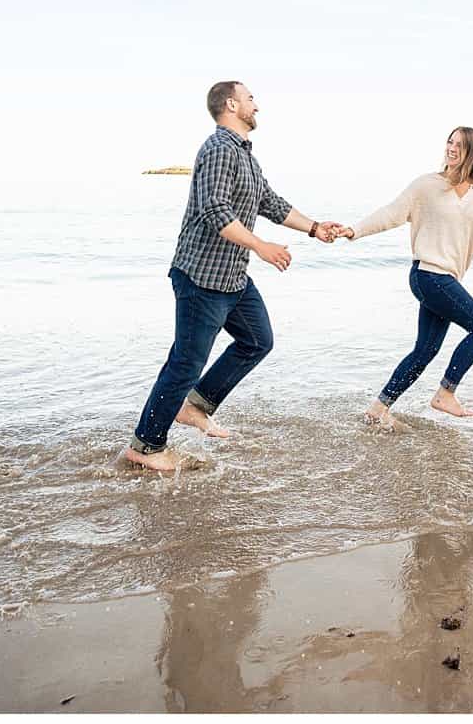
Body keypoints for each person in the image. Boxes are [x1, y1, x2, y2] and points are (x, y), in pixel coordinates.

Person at [123, 81, 345, 472]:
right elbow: (214, 210)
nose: (256, 104)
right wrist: (261, 246)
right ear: (231, 104)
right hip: (201, 277)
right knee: (185, 363)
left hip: (232, 278)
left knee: (258, 341)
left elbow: (269, 203)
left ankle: (196, 406)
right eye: (250, 98)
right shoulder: (218, 149)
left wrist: (314, 228)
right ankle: (146, 446)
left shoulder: (245, 155)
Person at [342, 126, 473, 430]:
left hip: (443, 279)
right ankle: (445, 393)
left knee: (425, 350)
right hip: (428, 275)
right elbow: (391, 213)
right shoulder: (426, 186)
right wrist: (354, 231)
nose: (451, 149)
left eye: (459, 145)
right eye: (449, 142)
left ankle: (378, 408)